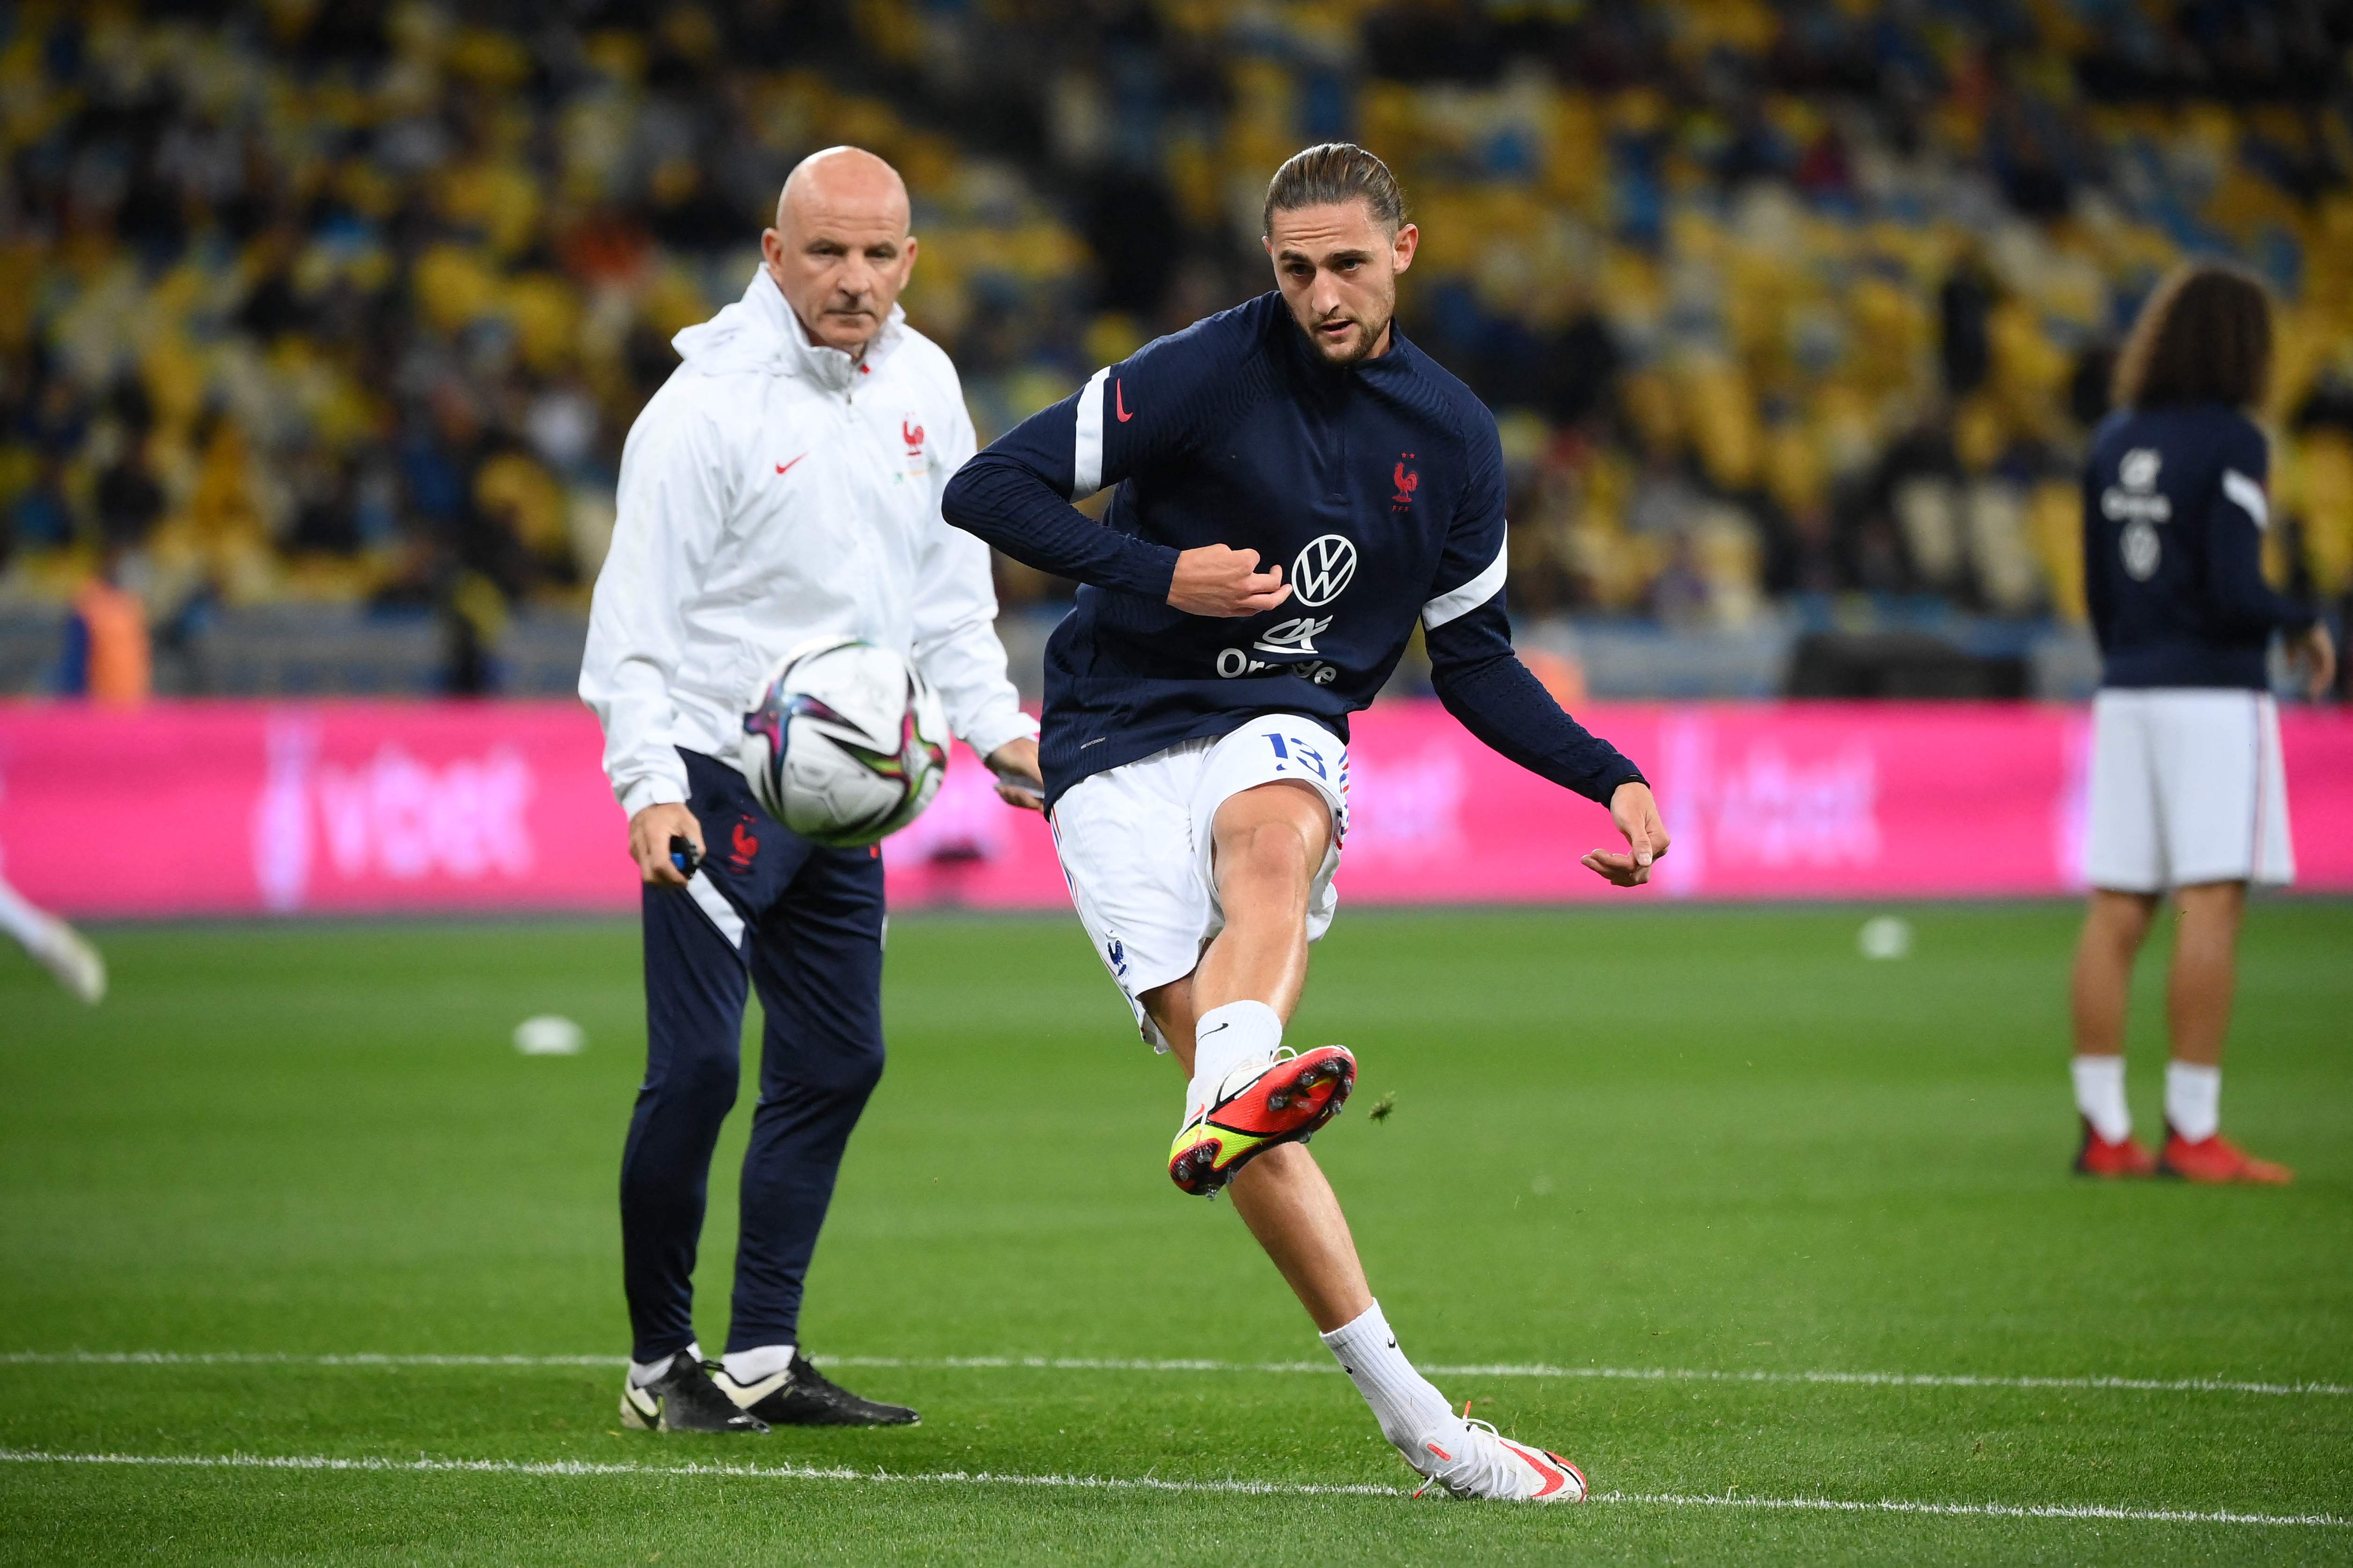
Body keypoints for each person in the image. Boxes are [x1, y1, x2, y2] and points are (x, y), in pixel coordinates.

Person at [942, 143, 1665, 1502]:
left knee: (1275, 832)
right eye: (1294, 269)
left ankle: (1237, 1084)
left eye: (1345, 263)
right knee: (1245, 1135)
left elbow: (1477, 658)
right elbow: (989, 488)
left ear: (1405, 247)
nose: (1322, 294)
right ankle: (1420, 1421)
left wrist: (1605, 772)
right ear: (1267, 268)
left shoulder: (1452, 434)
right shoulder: (1205, 370)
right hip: (1106, 733)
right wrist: (1164, 571)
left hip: (1284, 713)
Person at [580, 146, 1043, 1434]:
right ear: (772, 255)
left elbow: (951, 593)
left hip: (850, 792)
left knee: (838, 1057)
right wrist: (646, 786)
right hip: (720, 774)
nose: (854, 279)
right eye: (825, 252)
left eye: (878, 254)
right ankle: (658, 1362)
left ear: (912, 259)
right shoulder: (700, 412)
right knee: (696, 1071)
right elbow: (633, 624)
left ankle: (764, 1356)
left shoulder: (926, 380)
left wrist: (1004, 733)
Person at [2069, 263, 2336, 1185]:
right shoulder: (2232, 440)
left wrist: (2129, 659)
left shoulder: (2114, 440)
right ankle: (2191, 1129)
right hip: (2211, 695)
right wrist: (2300, 620)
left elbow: (2099, 591)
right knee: (2208, 901)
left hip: (2126, 686)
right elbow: (2232, 584)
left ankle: (2103, 1130)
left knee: (2114, 910)